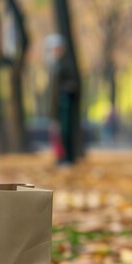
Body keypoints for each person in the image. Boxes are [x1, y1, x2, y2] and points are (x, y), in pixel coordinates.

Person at [46, 34, 80, 165]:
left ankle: (67, 157)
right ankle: (62, 157)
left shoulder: (65, 64)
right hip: (59, 104)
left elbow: (73, 84)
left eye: (57, 48)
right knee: (59, 132)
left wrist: (65, 93)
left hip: (65, 103)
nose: (55, 51)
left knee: (66, 131)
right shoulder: (56, 64)